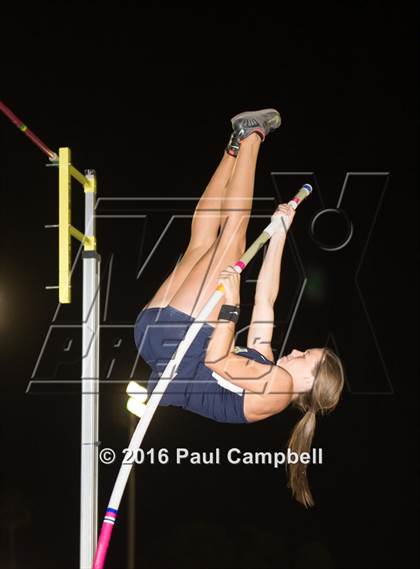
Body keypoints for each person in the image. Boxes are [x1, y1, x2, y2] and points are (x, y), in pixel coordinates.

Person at [134, 109, 345, 506]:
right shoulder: (269, 367)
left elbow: (216, 361)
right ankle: (233, 150)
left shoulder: (280, 389)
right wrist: (280, 234)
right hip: (159, 335)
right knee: (203, 240)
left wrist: (231, 305)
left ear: (309, 385)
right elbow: (266, 298)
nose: (297, 351)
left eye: (306, 358)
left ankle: (252, 136)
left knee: (232, 236)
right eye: (306, 350)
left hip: (181, 347)